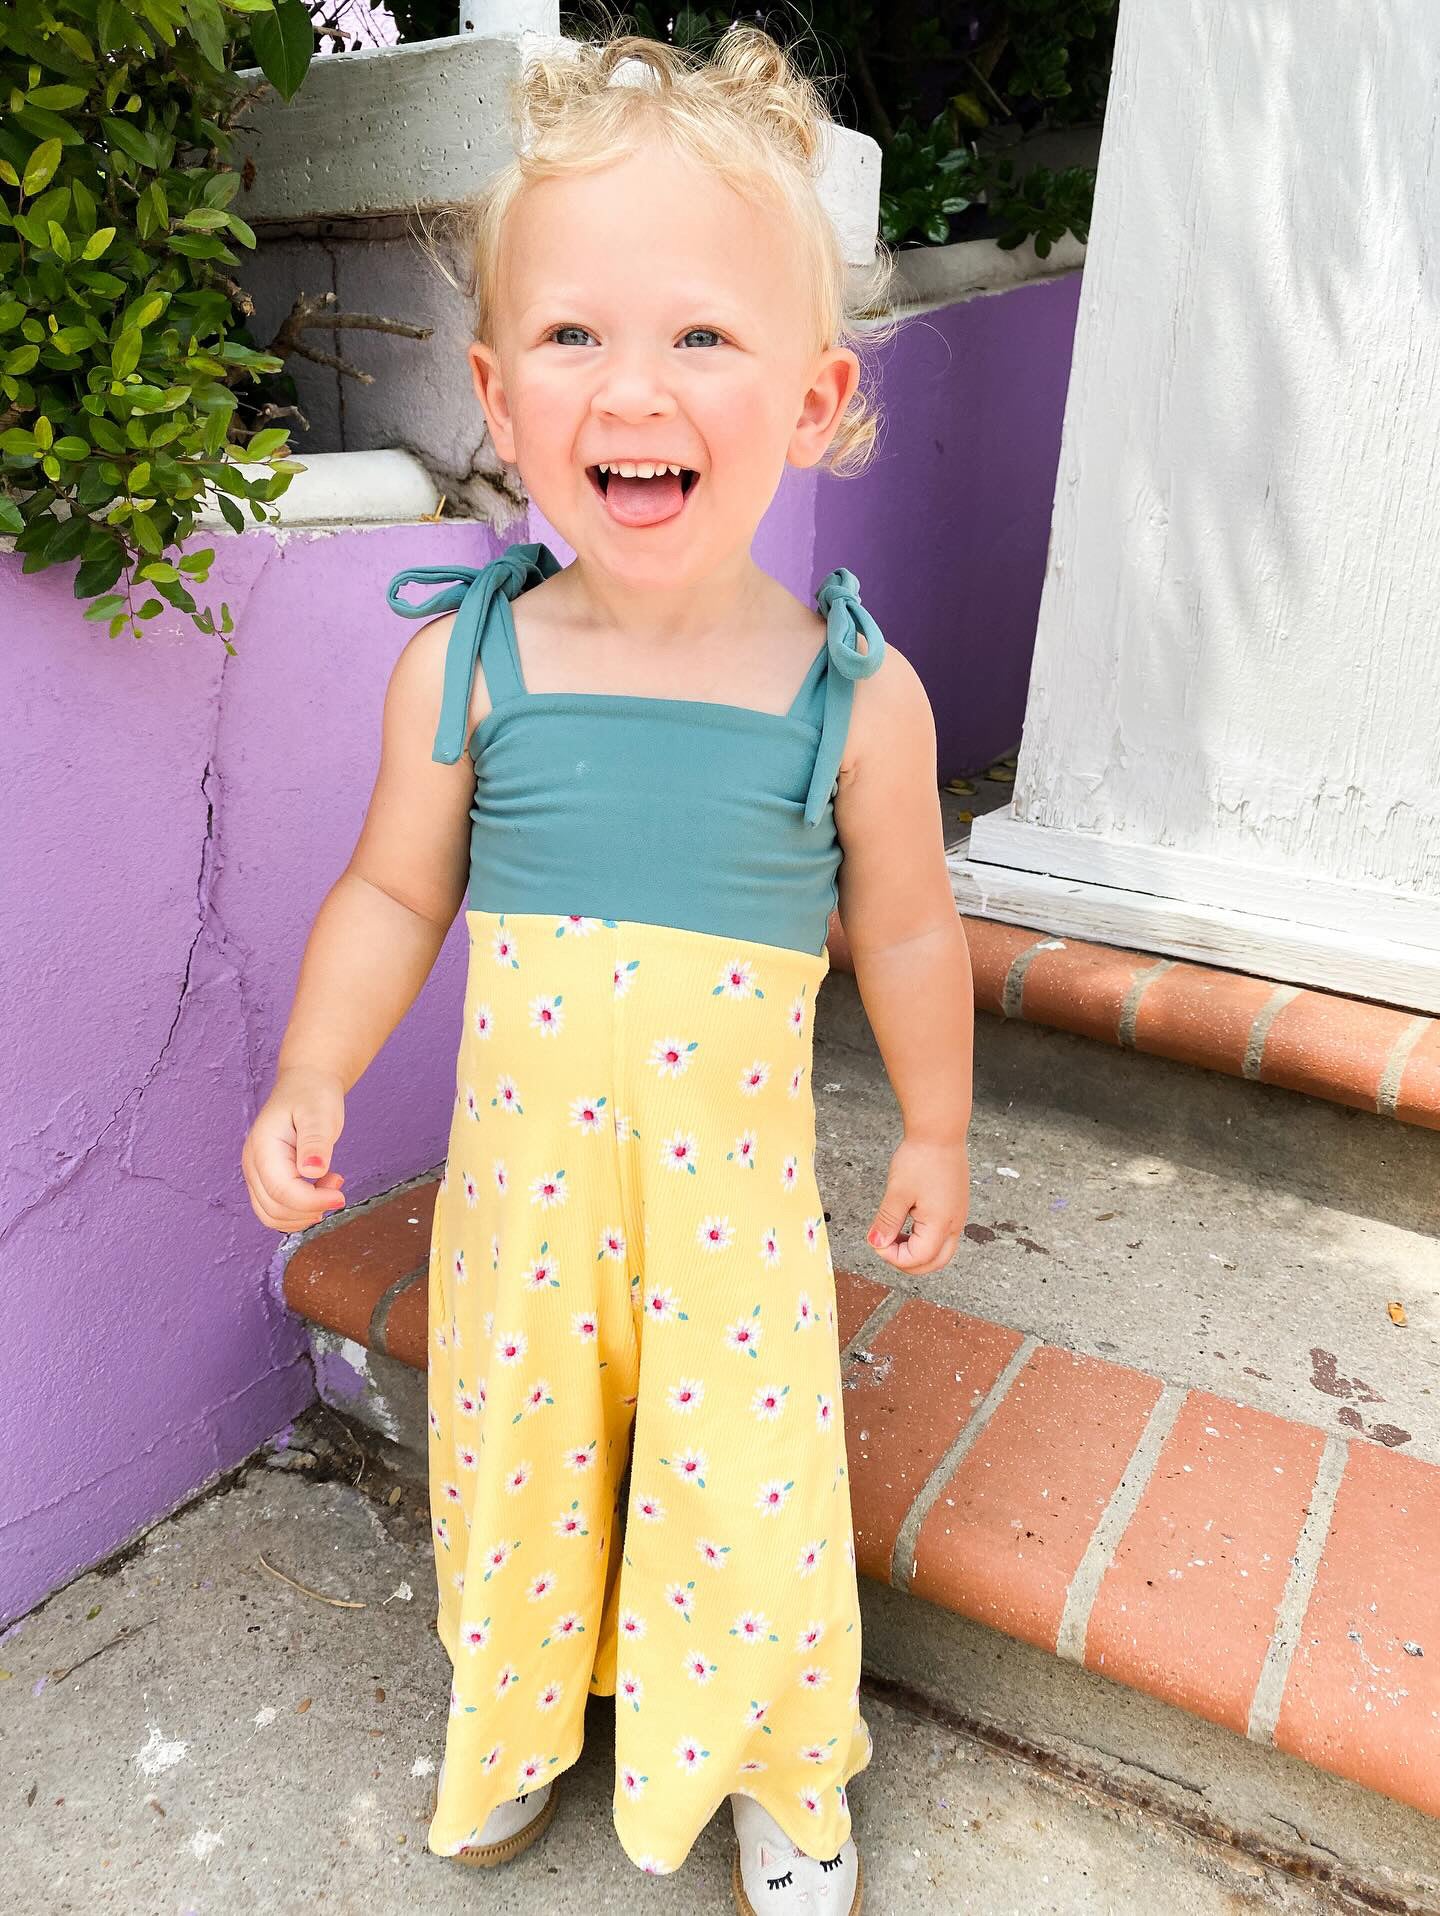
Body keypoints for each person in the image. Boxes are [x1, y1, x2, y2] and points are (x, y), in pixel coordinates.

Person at [242, 22, 972, 1914]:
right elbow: (393, 896)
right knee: (519, 1476)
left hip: (732, 1224)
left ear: (813, 398)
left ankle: (771, 1759)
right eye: (574, 335)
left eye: (701, 336)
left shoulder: (852, 694)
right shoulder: (470, 666)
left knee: (749, 1500)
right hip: (527, 1213)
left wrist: (940, 1125)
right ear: (495, 386)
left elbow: (900, 926)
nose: (630, 385)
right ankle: (515, 1709)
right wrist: (315, 1067)